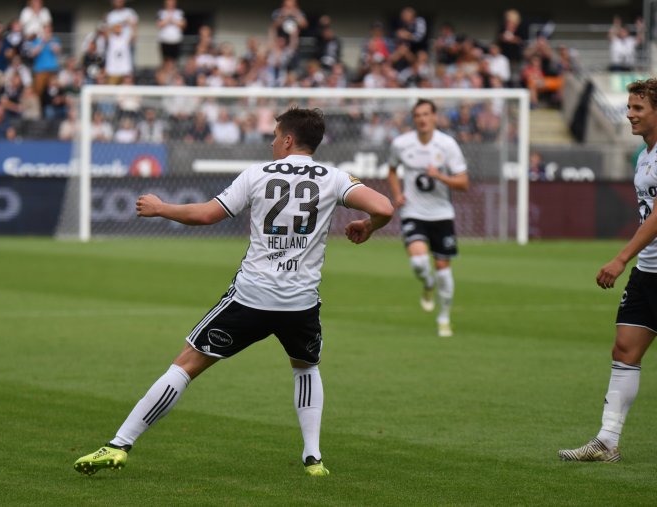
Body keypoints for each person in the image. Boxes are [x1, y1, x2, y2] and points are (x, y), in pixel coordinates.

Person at [73, 107, 394, 477]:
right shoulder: (335, 178)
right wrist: (368, 227)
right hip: (300, 302)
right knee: (306, 367)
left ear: (288, 140)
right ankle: (313, 457)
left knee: (187, 364)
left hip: (252, 297)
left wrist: (162, 208)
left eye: (276, 135)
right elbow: (384, 207)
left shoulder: (257, 174)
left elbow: (207, 215)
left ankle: (118, 445)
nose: (273, 142)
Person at [558, 79, 657, 463]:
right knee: (624, 350)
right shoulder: (643, 155)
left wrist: (621, 258)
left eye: (638, 108)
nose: (629, 114)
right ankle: (607, 441)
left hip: (641, 263)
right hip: (649, 271)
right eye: (629, 107)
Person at [386, 99, 470, 337]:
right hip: (413, 211)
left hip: (442, 214)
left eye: (426, 114)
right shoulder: (402, 144)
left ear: (434, 117)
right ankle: (427, 284)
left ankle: (444, 317)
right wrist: (397, 194)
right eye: (418, 115)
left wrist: (440, 176)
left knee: (443, 269)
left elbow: (464, 182)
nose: (422, 119)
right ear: (414, 119)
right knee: (419, 263)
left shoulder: (447, 145)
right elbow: (392, 170)